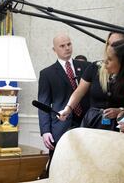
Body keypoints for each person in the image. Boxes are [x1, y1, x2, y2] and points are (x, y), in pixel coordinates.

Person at [38, 33, 90, 174]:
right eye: (62, 46)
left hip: (87, 124)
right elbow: (43, 104)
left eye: (69, 44)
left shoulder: (87, 67)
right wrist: (45, 131)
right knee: (58, 166)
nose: (67, 48)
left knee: (85, 165)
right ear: (54, 50)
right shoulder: (47, 73)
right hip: (60, 126)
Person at [58, 32, 124, 131]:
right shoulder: (95, 67)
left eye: (116, 44)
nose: (111, 48)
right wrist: (68, 109)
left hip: (120, 123)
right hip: (93, 122)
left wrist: (121, 110)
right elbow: (79, 92)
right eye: (109, 44)